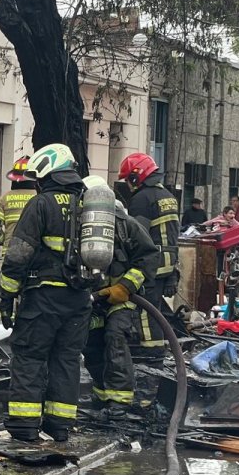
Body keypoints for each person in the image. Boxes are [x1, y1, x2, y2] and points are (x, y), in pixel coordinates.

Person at [0, 143, 91, 442]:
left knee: (30, 356)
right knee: (66, 359)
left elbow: (18, 255)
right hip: (79, 299)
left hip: (44, 297)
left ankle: (25, 426)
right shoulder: (89, 204)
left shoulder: (41, 204)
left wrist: (7, 296)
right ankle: (59, 425)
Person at [83, 175, 161, 420]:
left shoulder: (126, 224)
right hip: (92, 298)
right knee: (93, 346)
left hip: (120, 298)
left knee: (115, 339)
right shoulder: (79, 224)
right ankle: (102, 397)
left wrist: (126, 286)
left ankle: (120, 403)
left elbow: (149, 258)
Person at [117, 152, 181, 358]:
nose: (127, 184)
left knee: (146, 313)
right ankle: (163, 348)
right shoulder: (169, 197)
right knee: (158, 312)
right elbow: (172, 236)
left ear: (136, 177)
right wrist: (172, 274)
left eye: (128, 179)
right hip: (167, 265)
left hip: (150, 265)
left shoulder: (141, 199)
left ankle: (152, 356)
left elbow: (137, 236)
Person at [0, 156, 37, 257]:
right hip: (35, 253)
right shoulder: (39, 197)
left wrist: (4, 241)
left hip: (10, 251)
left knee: (7, 273)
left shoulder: (5, 198)